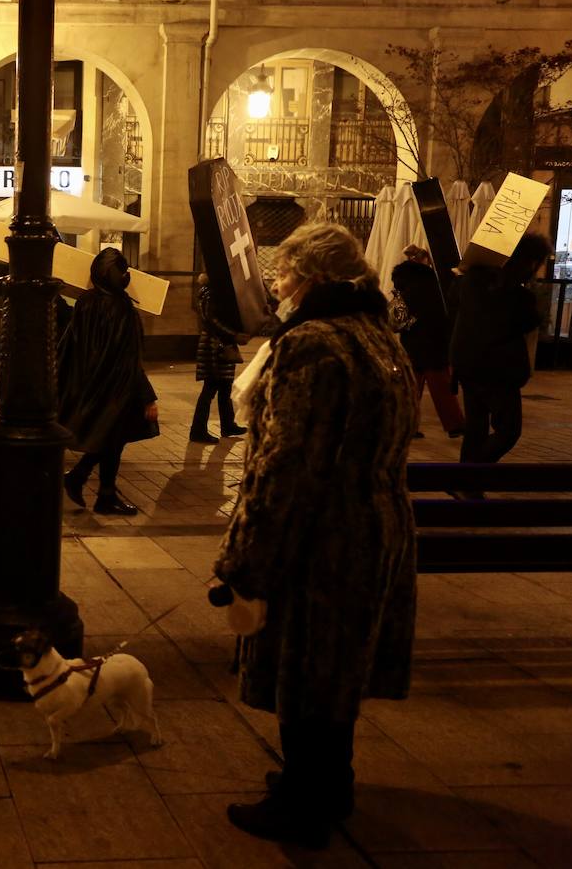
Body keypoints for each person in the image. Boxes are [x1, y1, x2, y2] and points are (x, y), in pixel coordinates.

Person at [215, 223, 417, 849]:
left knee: (306, 671)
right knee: (338, 671)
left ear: (310, 278)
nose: (275, 284)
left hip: (320, 540)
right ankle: (330, 783)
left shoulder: (311, 345)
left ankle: (304, 804)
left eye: (282, 272)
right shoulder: (379, 336)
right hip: (376, 527)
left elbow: (287, 462)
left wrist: (244, 558)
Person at [57, 247, 159, 516]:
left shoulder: (85, 301)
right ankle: (98, 491)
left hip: (90, 384)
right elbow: (129, 356)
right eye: (123, 271)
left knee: (110, 436)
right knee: (112, 436)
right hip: (116, 387)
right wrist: (147, 395)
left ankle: (95, 487)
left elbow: (70, 344)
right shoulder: (121, 307)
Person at [450, 233, 550, 467]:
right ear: (531, 262)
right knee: (509, 430)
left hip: (467, 364)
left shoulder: (469, 282)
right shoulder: (517, 295)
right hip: (498, 371)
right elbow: (530, 321)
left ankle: (467, 488)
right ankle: (469, 476)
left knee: (476, 429)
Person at [391, 245, 462, 439]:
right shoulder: (433, 286)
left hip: (411, 342)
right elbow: (439, 315)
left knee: (411, 389)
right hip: (433, 342)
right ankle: (454, 423)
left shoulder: (402, 286)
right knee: (441, 386)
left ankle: (407, 426)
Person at [190, 272, 247, 444]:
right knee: (211, 388)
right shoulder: (211, 294)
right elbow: (212, 320)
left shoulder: (212, 292)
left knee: (224, 386)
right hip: (214, 345)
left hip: (220, 344)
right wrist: (234, 334)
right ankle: (198, 431)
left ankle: (228, 425)